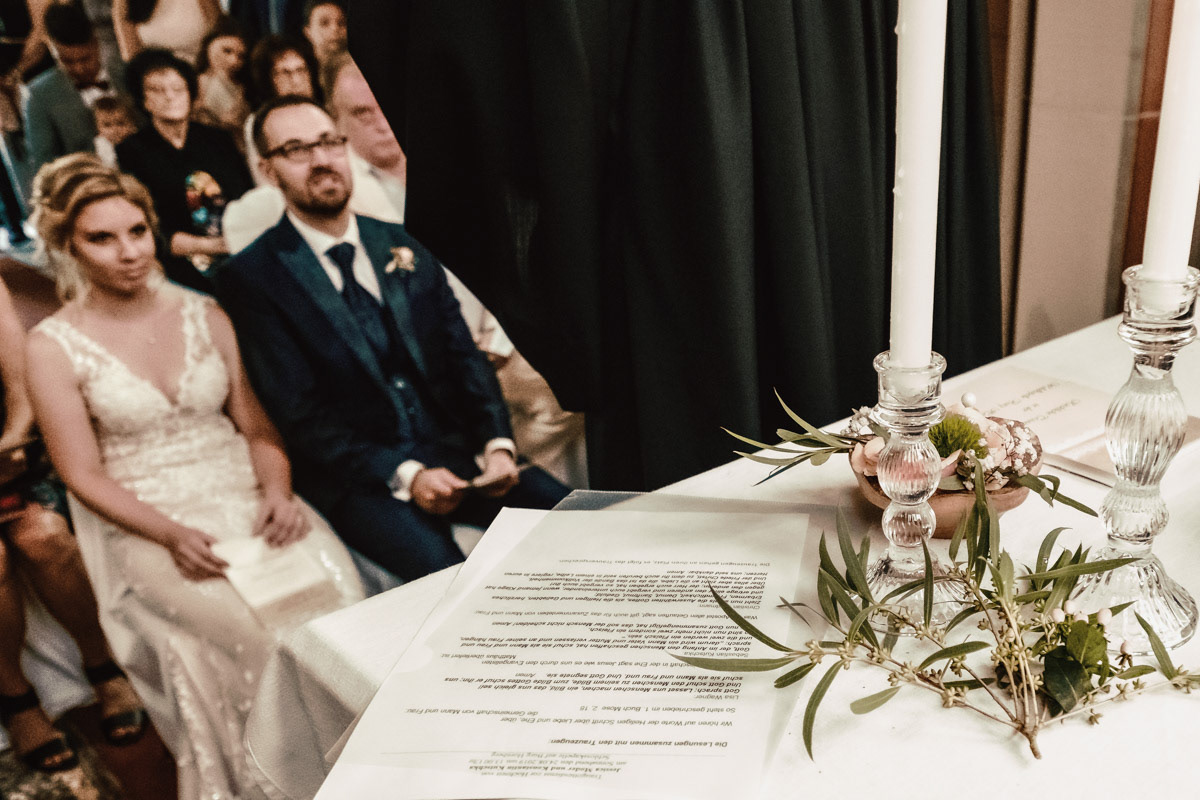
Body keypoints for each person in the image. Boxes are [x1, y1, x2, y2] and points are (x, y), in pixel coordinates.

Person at [25, 152, 364, 799]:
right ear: (68, 246)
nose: (129, 251)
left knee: (339, 598)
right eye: (102, 238)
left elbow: (257, 427)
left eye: (137, 231)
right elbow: (81, 474)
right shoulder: (52, 345)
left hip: (247, 498)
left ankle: (369, 775)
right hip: (149, 521)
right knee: (257, 632)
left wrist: (278, 493)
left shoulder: (204, 312)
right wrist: (172, 534)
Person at [215, 96, 570, 581]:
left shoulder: (403, 241)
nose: (321, 160)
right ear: (267, 169)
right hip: (360, 477)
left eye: (328, 142)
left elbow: (462, 355)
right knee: (449, 579)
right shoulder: (252, 277)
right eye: (296, 149)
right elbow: (299, 412)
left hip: (453, 450)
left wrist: (496, 444)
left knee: (579, 522)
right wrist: (408, 474)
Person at [223, 52, 588, 487]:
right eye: (362, 113)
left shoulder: (459, 167)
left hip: (496, 352)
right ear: (340, 119)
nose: (383, 122)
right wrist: (410, 473)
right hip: (397, 411)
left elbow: (516, 261)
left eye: (389, 106)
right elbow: (303, 391)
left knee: (573, 398)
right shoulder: (327, 194)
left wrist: (501, 344)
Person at [0, 274, 146, 775]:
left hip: (10, 453)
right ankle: (17, 699)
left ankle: (102, 664)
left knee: (43, 537)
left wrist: (13, 440)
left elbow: (20, 385)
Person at [117, 48, 251, 271]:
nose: (170, 96)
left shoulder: (219, 139)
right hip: (177, 263)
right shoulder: (131, 151)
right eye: (157, 90)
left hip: (240, 249)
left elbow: (246, 196)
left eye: (178, 89)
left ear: (190, 94)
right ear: (144, 99)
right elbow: (147, 225)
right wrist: (213, 245)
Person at [22, 2, 124, 175]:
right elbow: (44, 165)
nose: (79, 69)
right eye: (67, 61)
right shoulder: (40, 94)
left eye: (85, 59)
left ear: (96, 43)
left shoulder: (123, 72)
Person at [243, 34, 317, 182]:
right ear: (269, 80)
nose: (296, 81)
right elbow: (265, 181)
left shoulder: (322, 114)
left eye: (301, 70)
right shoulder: (258, 123)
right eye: (285, 73)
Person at [193, 15, 251, 141]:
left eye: (241, 56)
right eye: (227, 51)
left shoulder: (242, 90)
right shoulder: (192, 84)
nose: (234, 61)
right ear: (209, 45)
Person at [112, 0, 220, 64]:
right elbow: (131, 56)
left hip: (199, 72)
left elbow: (218, 37)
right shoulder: (124, 3)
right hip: (153, 77)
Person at [92, 94, 137, 167]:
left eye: (120, 123)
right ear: (97, 128)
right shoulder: (100, 146)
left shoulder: (136, 140)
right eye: (107, 125)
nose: (115, 130)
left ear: (132, 124)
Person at [301, 0, 344, 67]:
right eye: (324, 23)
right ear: (307, 31)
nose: (335, 29)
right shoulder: (298, 66)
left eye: (341, 23)